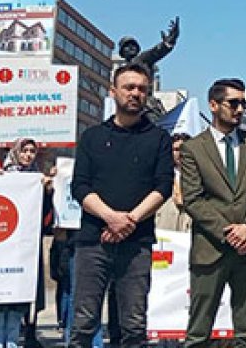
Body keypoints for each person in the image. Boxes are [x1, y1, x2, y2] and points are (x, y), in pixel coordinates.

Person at [69, 63, 174, 348]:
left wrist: (130, 221)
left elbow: (162, 187)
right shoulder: (92, 137)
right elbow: (80, 186)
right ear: (113, 92)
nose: (135, 94)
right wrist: (110, 217)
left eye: (141, 88)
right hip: (93, 241)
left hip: (136, 242)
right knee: (83, 322)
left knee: (133, 325)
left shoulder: (159, 138)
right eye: (129, 87)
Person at [179, 78, 246, 347]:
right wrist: (228, 231)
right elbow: (194, 199)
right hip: (211, 249)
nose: (240, 109)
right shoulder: (193, 149)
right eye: (233, 103)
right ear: (213, 105)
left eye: (243, 103)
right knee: (198, 331)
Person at [0, 138, 54, 348]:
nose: (28, 155)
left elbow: (46, 217)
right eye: (24, 151)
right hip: (0, 248)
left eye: (32, 151)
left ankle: (13, 343)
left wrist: (49, 191)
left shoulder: (37, 180)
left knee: (17, 300)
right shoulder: (1, 176)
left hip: (25, 249)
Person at [154, 133, 192, 232]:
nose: (179, 153)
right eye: (176, 149)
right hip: (166, 219)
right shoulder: (161, 173)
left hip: (187, 220)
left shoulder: (199, 175)